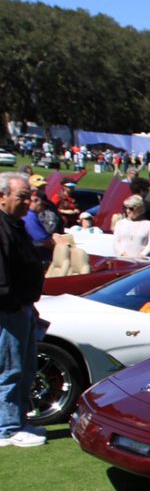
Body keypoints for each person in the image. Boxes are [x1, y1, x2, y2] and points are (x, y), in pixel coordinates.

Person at [0, 172, 47, 446]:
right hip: (9, 310)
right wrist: (14, 304)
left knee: (25, 367)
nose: (27, 202)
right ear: (3, 196)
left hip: (22, 307)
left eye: (29, 197)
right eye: (21, 197)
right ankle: (7, 427)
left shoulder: (15, 225)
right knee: (11, 367)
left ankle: (17, 420)